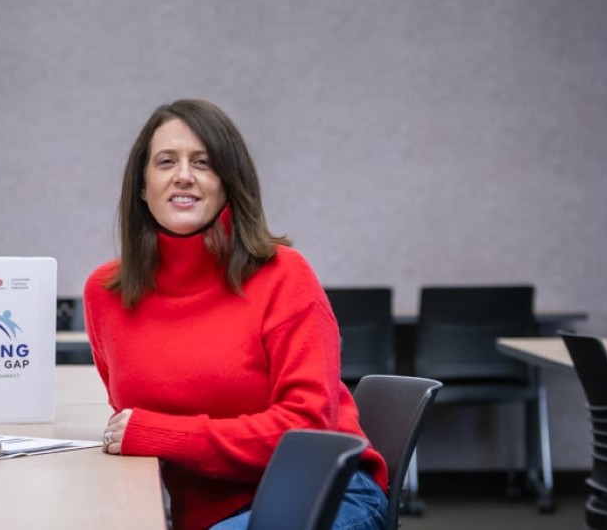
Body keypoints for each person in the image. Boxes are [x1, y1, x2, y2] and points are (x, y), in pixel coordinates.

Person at [84, 99, 390, 530]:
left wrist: (165, 435)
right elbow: (128, 421)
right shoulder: (106, 293)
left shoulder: (284, 276)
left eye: (203, 162)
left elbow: (307, 431)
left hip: (320, 493)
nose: (183, 175)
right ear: (142, 186)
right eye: (166, 161)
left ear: (229, 183)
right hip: (208, 515)